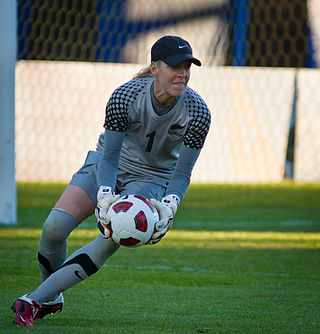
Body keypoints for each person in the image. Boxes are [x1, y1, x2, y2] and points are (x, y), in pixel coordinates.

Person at [11, 35, 211, 327]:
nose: (182, 73)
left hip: (152, 179)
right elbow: (110, 155)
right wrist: (105, 193)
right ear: (155, 68)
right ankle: (51, 297)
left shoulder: (199, 113)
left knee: (111, 237)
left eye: (187, 66)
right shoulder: (125, 97)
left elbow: (181, 173)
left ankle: (33, 301)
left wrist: (170, 204)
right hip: (107, 164)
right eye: (174, 66)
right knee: (54, 229)